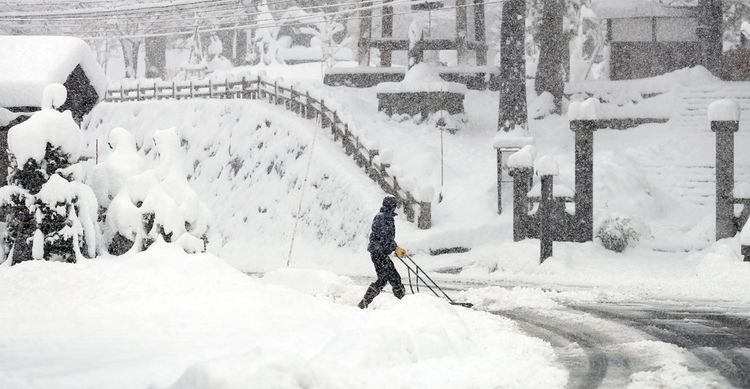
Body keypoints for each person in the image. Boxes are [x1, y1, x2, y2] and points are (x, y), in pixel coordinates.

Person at [358, 196, 407, 309]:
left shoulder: (382, 216)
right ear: (391, 206)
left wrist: (394, 247)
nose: (395, 208)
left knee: (385, 278)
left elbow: (383, 238)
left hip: (378, 253)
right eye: (394, 206)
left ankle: (365, 302)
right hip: (379, 253)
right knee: (393, 278)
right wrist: (395, 247)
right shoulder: (385, 218)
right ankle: (403, 305)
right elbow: (384, 238)